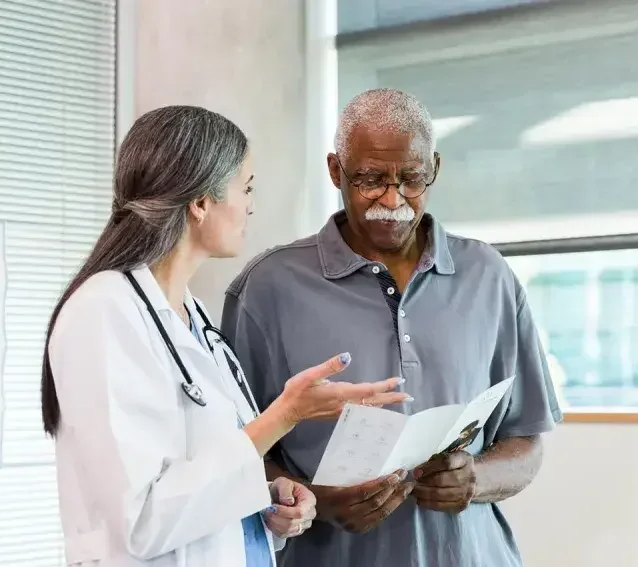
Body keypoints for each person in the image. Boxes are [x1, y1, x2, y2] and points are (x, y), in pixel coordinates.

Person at [40, 105, 410, 567]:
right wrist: (285, 415)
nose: (252, 204)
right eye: (246, 187)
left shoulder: (189, 315)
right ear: (200, 202)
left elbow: (201, 479)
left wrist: (269, 500)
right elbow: (138, 522)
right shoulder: (103, 311)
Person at [222, 88, 563, 566]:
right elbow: (232, 455)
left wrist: (476, 479)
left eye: (412, 179)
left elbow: (526, 441)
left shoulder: (489, 275)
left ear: (435, 169)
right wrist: (316, 500)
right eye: (370, 179)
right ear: (336, 171)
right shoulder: (267, 288)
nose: (393, 198)